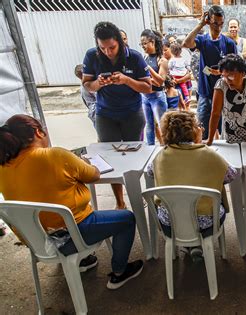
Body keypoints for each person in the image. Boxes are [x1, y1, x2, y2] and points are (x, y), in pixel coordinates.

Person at [0, 114, 143, 289]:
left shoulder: (3, 167)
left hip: (37, 241)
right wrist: (81, 162)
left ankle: (84, 260)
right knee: (127, 218)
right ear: (38, 132)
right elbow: (94, 174)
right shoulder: (55, 155)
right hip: (71, 235)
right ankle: (120, 272)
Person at [82, 21, 152, 210]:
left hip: (132, 113)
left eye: (112, 47)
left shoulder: (135, 57)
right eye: (103, 48)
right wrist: (99, 84)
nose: (108, 52)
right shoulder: (91, 55)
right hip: (105, 114)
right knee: (110, 159)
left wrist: (127, 80)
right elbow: (86, 84)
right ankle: (120, 201)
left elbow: (148, 87)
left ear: (120, 42)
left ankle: (136, 196)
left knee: (133, 158)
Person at [152, 111, 237, 261]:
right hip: (206, 222)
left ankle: (189, 246)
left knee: (181, 204)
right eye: (199, 126)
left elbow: (151, 172)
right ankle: (196, 246)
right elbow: (231, 175)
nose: (202, 129)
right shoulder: (209, 155)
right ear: (191, 131)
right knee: (213, 202)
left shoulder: (161, 156)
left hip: (169, 222)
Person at [183, 5, 237, 139]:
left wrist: (222, 73)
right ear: (208, 22)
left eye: (221, 24)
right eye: (214, 23)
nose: (218, 27)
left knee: (225, 132)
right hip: (205, 94)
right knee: (203, 131)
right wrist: (200, 24)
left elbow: (236, 70)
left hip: (225, 94)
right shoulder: (203, 40)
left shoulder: (229, 43)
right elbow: (186, 43)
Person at [206, 54, 246, 145]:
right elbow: (215, 113)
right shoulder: (221, 85)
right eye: (224, 76)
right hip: (229, 138)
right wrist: (210, 140)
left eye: (231, 77)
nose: (227, 81)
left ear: (243, 73)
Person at [140, 29, 168, 145]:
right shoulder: (145, 57)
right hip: (145, 97)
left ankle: (167, 150)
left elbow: (160, 82)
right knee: (149, 126)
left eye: (144, 43)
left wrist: (147, 68)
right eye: (141, 44)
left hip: (157, 97)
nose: (143, 46)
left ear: (152, 42)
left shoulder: (162, 60)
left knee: (162, 127)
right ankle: (150, 150)